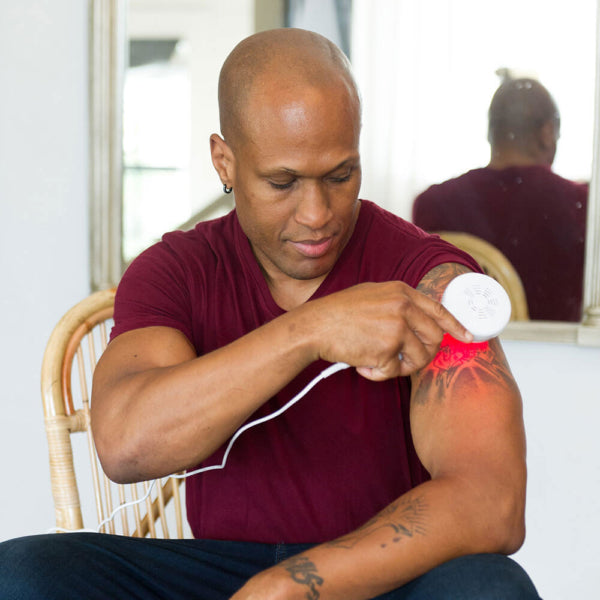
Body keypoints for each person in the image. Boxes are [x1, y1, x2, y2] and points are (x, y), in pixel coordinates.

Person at [0, 29, 540, 599]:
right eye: (282, 182)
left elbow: (493, 503)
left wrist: (291, 587)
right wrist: (310, 331)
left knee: (492, 587)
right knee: (23, 573)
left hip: (376, 573)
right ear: (224, 161)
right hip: (214, 572)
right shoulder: (175, 270)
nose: (317, 214)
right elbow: (125, 445)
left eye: (340, 175)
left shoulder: (432, 279)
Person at [413, 76, 588, 322]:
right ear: (548, 133)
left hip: (462, 355)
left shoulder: (432, 203)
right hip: (556, 356)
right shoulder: (584, 205)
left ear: (490, 133)